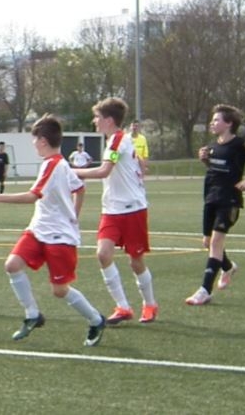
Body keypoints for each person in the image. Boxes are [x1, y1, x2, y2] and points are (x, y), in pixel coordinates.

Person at [0, 114, 106, 346]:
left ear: (43, 141)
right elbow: (79, 188)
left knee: (60, 290)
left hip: (59, 236)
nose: (33, 143)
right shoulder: (60, 163)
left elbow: (32, 196)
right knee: (12, 265)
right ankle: (32, 315)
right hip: (38, 229)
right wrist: (74, 215)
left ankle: (96, 320)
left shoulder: (54, 165)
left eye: (35, 139)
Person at [73, 97, 158, 324]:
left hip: (133, 209)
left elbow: (104, 171)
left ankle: (150, 304)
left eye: (97, 117)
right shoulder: (117, 140)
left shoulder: (118, 140)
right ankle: (123, 307)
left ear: (109, 120)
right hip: (111, 210)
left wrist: (71, 171)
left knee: (136, 261)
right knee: (103, 254)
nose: (94, 121)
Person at [185, 104, 245, 305]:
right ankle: (227, 267)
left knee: (216, 242)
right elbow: (216, 170)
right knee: (208, 243)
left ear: (229, 124)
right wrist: (205, 161)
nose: (212, 123)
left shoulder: (239, 145)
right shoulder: (212, 146)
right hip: (211, 199)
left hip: (230, 201)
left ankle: (204, 291)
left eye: (216, 120)